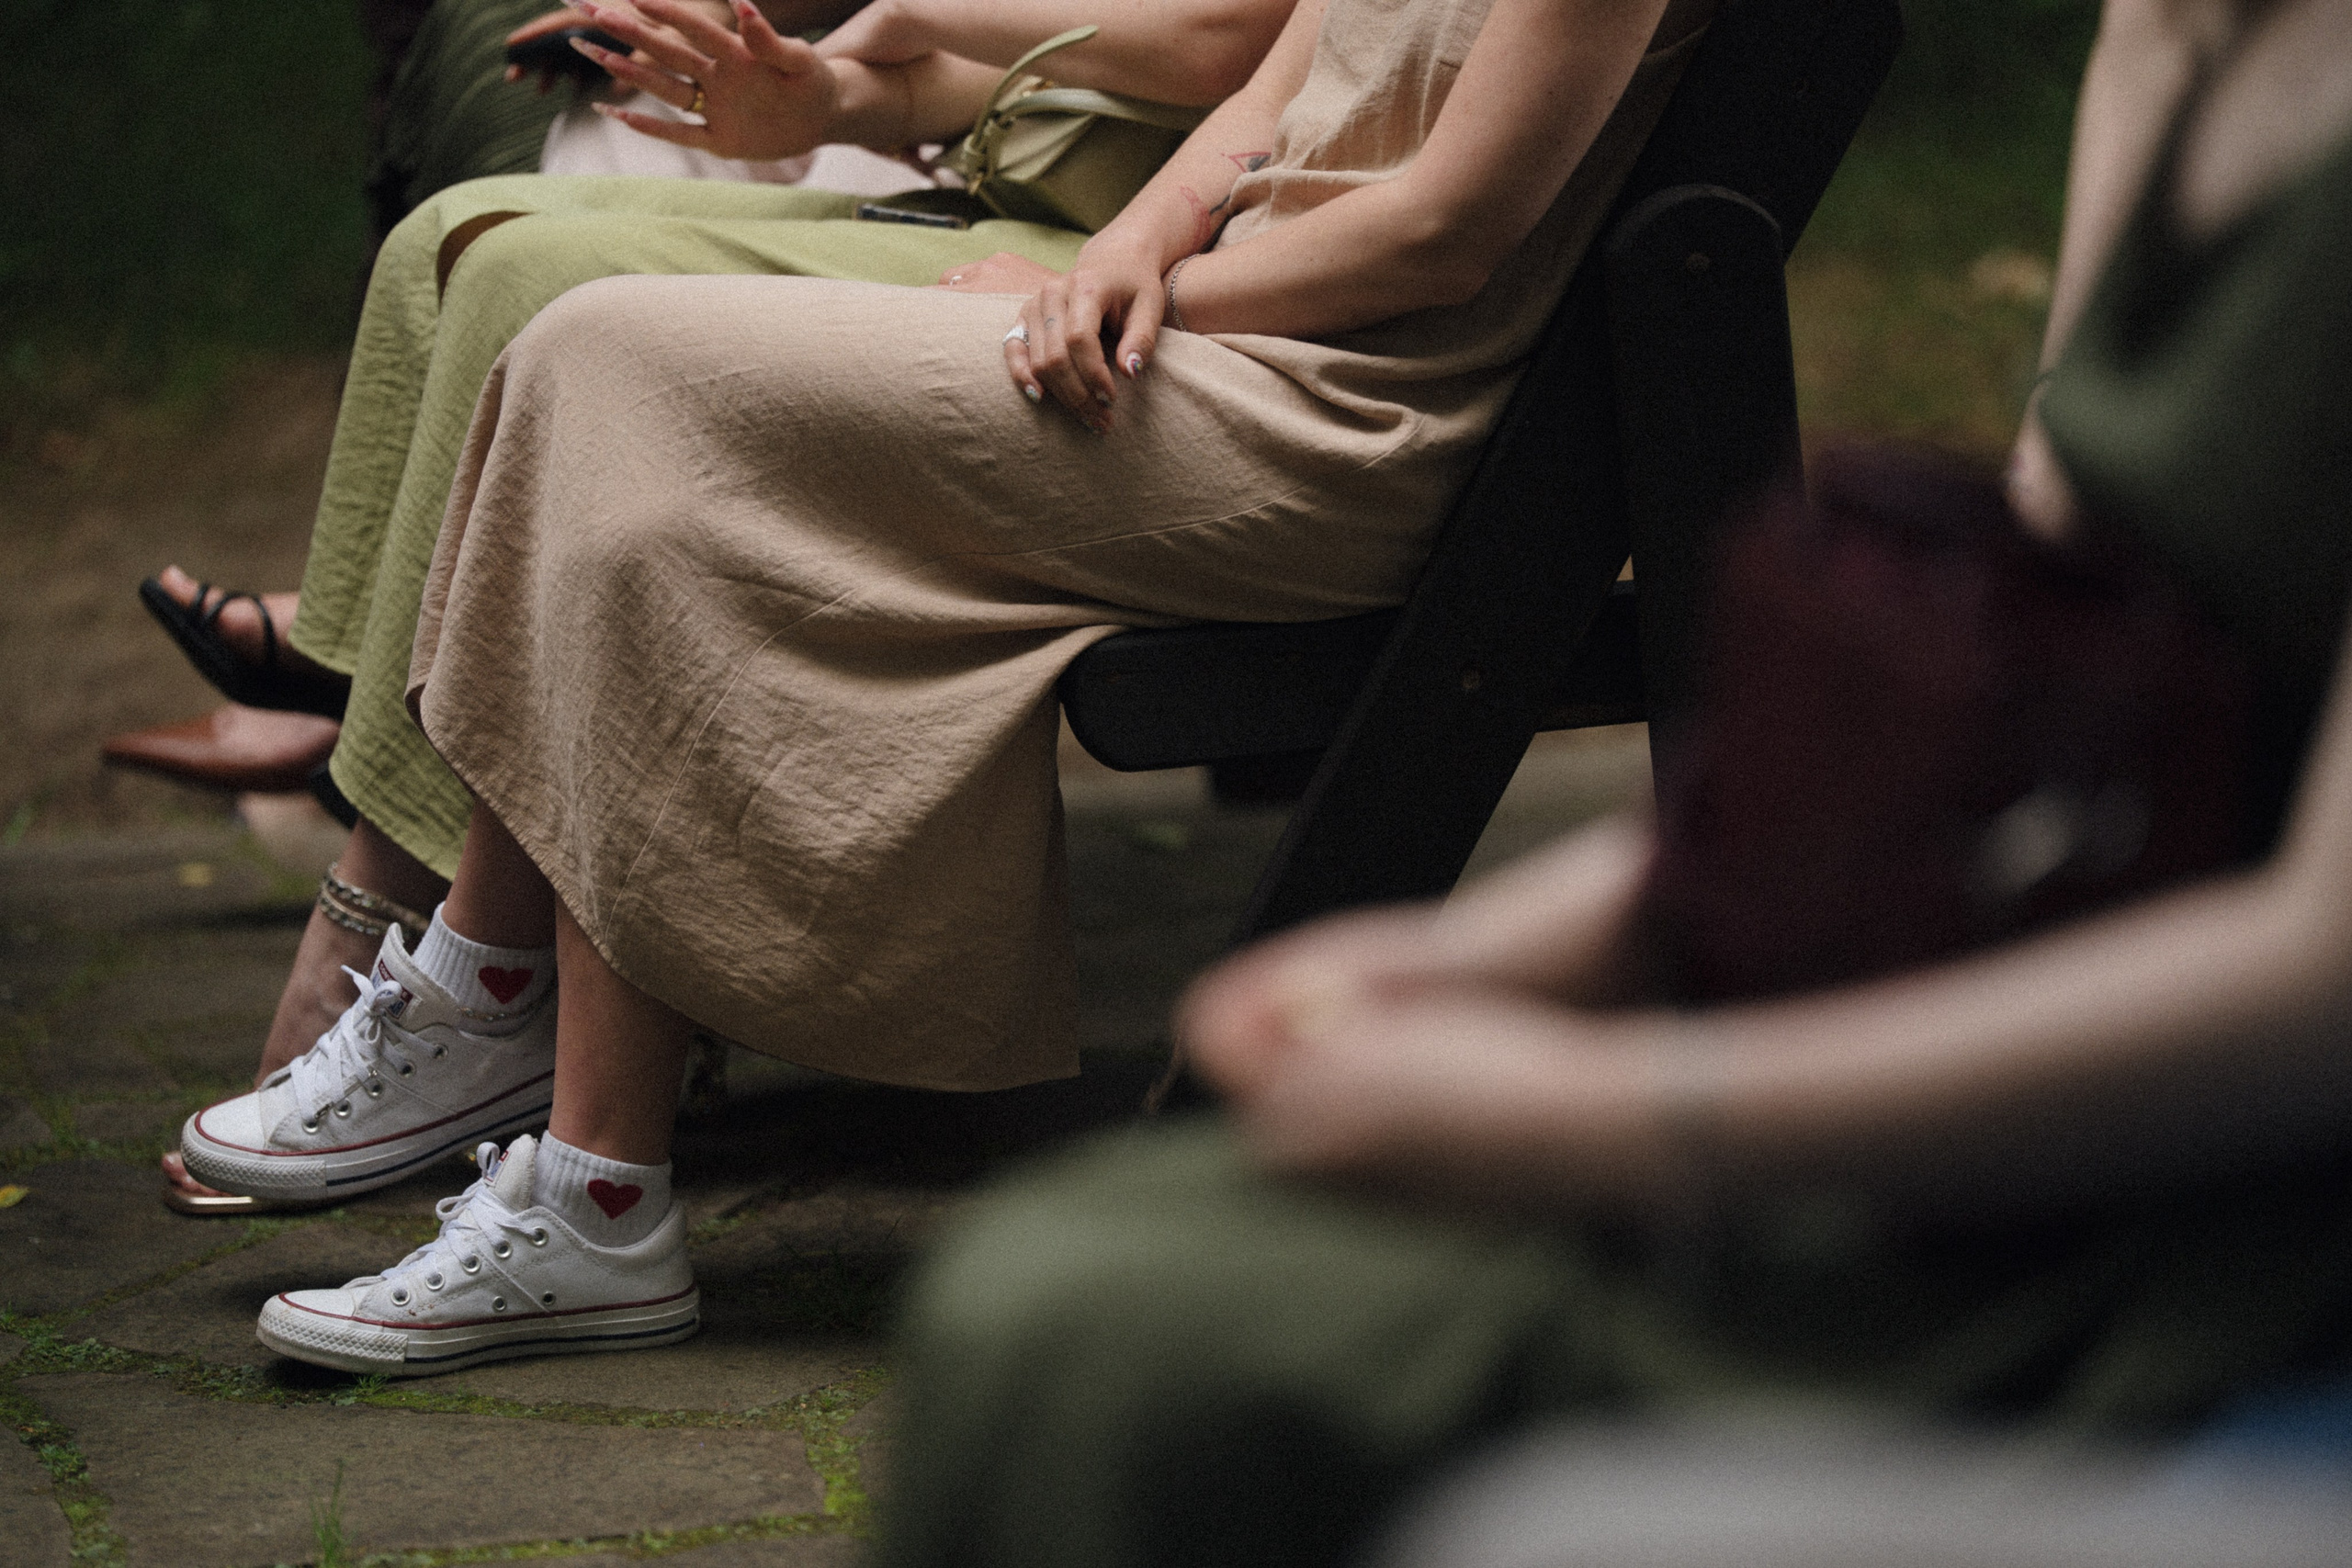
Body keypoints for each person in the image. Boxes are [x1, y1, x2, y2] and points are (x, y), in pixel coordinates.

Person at [852, 2, 2352, 1564]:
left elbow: (2324, 980)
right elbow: (2026, 694)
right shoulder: (2188, 31)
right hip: (1969, 1089)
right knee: (1069, 1275)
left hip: (2188, 1250)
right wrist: (1457, 960)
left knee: (1081, 1339)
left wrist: (1594, 1111)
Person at [190, 0, 1720, 1373]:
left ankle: (526, 1087)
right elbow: (1257, 109)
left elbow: (1446, 234)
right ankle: (557, 1132)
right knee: (585, 355)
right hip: (1196, 336)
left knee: (614, 362)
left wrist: (1143, 298)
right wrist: (1123, 253)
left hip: (1335, 418)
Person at [135, 0, 1293, 1212]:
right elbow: (1142, 81)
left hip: (1135, 266)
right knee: (468, 250)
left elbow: (1234, 52)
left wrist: (899, 20)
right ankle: (478, 1008)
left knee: (566, 315)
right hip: (1054, 189)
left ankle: (423, 975)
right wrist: (840, 95)